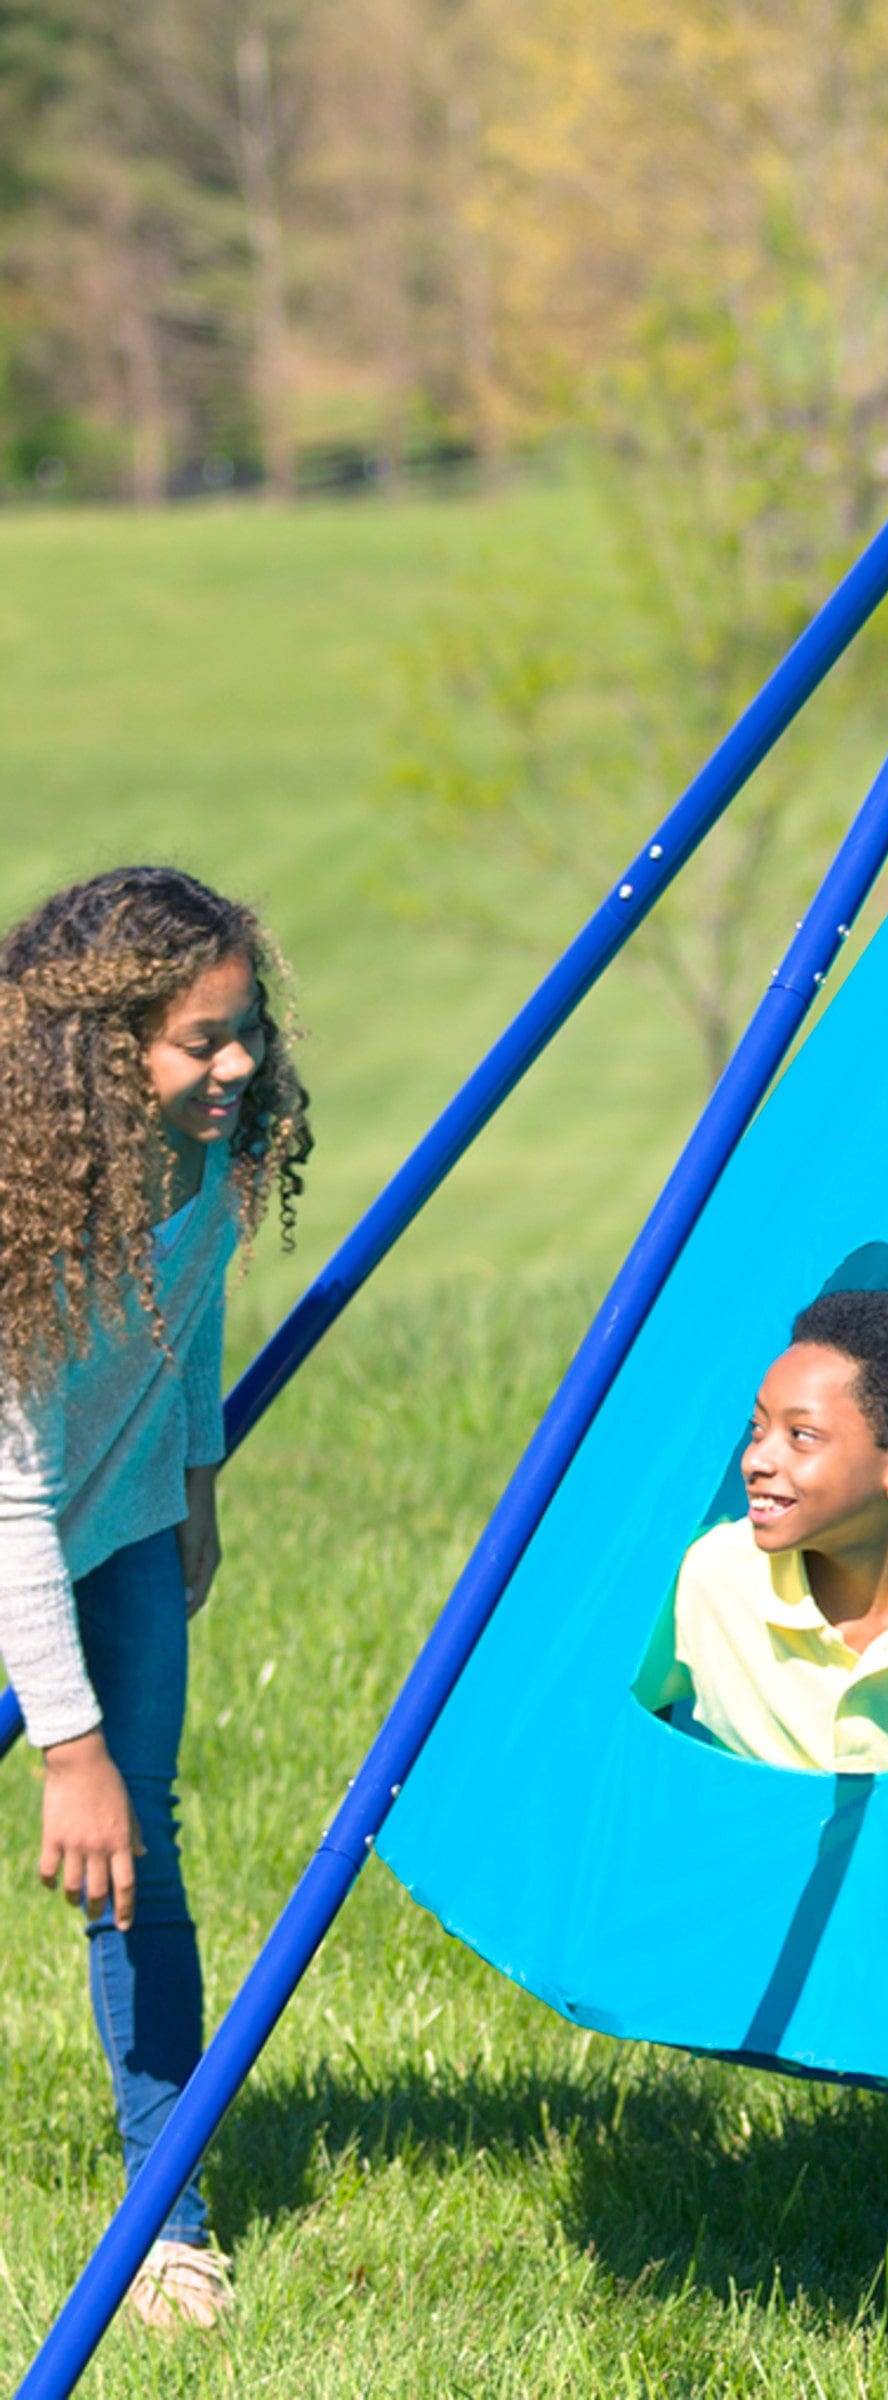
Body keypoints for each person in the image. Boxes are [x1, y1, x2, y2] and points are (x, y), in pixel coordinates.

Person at [0, 868, 309, 2329]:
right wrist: (68, 1750)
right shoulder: (28, 1227)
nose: (239, 1066)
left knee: (144, 1860)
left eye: (245, 1031)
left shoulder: (205, 1160)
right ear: (104, 1053)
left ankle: (165, 2218)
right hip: (13, 1541)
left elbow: (194, 1322)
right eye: (204, 1041)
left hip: (119, 1531)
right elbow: (8, 1502)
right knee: (108, 1810)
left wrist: (193, 1480)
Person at [648, 1285, 888, 1775]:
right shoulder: (707, 1575)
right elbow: (588, 1717)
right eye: (758, 1429)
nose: (755, 1460)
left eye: (801, 1436)